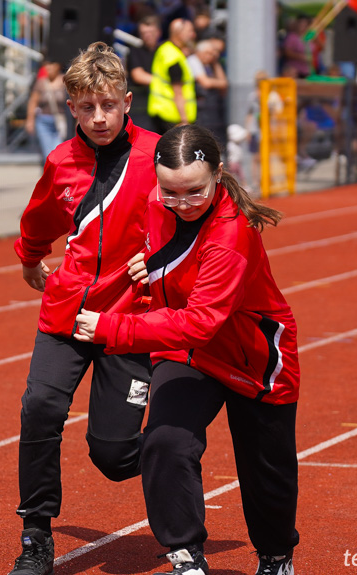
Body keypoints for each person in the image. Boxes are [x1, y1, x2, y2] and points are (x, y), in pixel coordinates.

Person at [74, 124, 300, 575]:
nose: (181, 203)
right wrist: (147, 260)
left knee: (265, 474)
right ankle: (186, 556)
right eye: (171, 192)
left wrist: (111, 328)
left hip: (251, 358)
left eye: (194, 192)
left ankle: (276, 558)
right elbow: (164, 247)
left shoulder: (231, 236)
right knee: (165, 443)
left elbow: (201, 322)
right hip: (188, 353)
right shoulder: (158, 201)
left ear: (218, 174)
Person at [8, 41, 160, 575]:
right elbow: (40, 218)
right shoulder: (62, 160)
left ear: (127, 102)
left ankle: (171, 448)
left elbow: (199, 216)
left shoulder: (156, 156)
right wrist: (30, 259)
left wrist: (161, 261)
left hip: (129, 320)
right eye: (87, 106)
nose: (98, 117)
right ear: (71, 106)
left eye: (109, 105)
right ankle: (35, 537)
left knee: (116, 457)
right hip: (67, 310)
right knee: (40, 410)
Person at [148, 17, 197, 134]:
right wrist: (184, 120)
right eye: (190, 31)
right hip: (172, 116)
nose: (193, 35)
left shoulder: (165, 49)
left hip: (161, 111)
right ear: (179, 33)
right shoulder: (174, 58)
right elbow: (178, 92)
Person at [24, 59, 67, 164]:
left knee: (60, 152)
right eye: (46, 65)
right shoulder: (41, 83)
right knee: (48, 153)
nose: (48, 67)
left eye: (51, 64)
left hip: (60, 121)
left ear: (58, 65)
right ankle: (51, 178)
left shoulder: (65, 82)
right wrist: (30, 120)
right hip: (43, 121)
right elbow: (33, 101)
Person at [188, 39, 227, 149]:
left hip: (211, 112)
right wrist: (221, 83)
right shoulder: (193, 61)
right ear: (199, 52)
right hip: (199, 110)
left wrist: (215, 62)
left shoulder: (209, 65)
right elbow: (206, 83)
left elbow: (224, 85)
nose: (210, 56)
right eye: (208, 53)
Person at [127, 14, 162, 130]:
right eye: (143, 33)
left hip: (160, 108)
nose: (146, 36)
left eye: (150, 33)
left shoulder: (163, 51)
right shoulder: (135, 51)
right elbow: (138, 76)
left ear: (158, 33)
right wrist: (166, 83)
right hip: (140, 109)